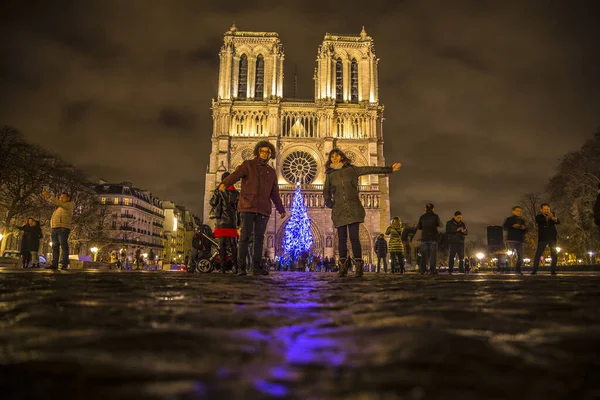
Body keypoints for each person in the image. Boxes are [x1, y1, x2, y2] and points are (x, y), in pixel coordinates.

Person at [323, 148, 401, 277]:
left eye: (337, 155)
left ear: (341, 157)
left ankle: (358, 266)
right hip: (339, 210)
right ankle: (342, 266)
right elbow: (326, 191)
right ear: (330, 159)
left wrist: (389, 169)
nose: (335, 158)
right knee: (341, 239)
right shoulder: (330, 175)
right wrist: (329, 202)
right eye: (332, 157)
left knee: (355, 238)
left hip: (353, 208)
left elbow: (370, 169)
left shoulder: (352, 170)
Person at [220, 140, 286, 276]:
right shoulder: (248, 165)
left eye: (267, 152)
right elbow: (236, 175)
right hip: (248, 206)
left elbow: (274, 193)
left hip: (262, 209)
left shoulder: (271, 172)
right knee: (244, 237)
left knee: (259, 239)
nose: (264, 154)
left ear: (270, 155)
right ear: (258, 152)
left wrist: (281, 209)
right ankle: (241, 267)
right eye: (262, 151)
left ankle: (256, 267)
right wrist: (225, 183)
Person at [210, 171, 240, 274]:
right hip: (232, 222)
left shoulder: (219, 191)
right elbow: (238, 209)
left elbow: (212, 202)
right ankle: (236, 267)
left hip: (222, 221)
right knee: (233, 244)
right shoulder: (236, 193)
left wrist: (217, 190)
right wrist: (238, 223)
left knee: (221, 245)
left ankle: (222, 268)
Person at [42, 190, 74, 270]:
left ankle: (64, 264)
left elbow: (59, 203)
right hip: (55, 228)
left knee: (63, 246)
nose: (61, 198)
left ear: (68, 198)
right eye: (60, 197)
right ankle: (55, 263)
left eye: (63, 197)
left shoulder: (69, 205)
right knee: (55, 247)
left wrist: (49, 197)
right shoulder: (59, 208)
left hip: (63, 228)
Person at [531, 203, 560, 275]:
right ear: (541, 210)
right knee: (538, 254)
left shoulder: (553, 215)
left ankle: (553, 270)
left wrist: (555, 219)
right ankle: (534, 270)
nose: (547, 210)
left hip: (552, 237)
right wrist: (548, 218)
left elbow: (558, 222)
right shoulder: (538, 216)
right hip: (543, 238)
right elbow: (539, 221)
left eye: (548, 209)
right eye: (545, 209)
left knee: (554, 254)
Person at [416, 203, 442, 275]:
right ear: (433, 209)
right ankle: (432, 270)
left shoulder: (422, 217)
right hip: (433, 238)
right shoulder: (435, 216)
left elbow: (419, 227)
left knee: (424, 255)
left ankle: (422, 270)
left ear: (425, 209)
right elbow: (440, 224)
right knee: (432, 255)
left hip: (424, 238)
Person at [503, 206, 528, 275]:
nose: (518, 212)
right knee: (509, 255)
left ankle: (518, 270)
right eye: (517, 210)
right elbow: (504, 227)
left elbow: (525, 231)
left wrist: (524, 228)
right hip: (511, 239)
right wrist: (512, 226)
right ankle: (505, 269)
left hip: (520, 240)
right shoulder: (509, 219)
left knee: (521, 256)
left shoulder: (522, 220)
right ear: (513, 211)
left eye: (520, 211)